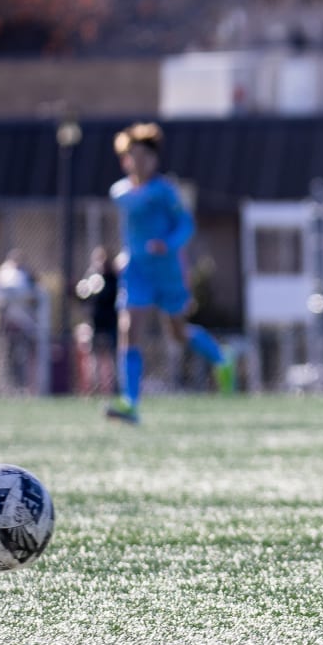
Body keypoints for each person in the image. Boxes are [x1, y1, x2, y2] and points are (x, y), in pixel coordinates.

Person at [105, 122, 237, 424]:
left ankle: (222, 358)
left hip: (167, 271)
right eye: (132, 156)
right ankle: (131, 403)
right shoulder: (120, 193)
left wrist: (168, 244)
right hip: (137, 271)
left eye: (144, 156)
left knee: (176, 333)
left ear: (154, 159)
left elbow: (186, 225)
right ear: (125, 159)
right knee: (129, 328)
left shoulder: (165, 192)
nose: (138, 161)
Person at [75, 245, 120, 395]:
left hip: (111, 322)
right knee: (92, 356)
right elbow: (82, 296)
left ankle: (114, 387)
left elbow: (112, 297)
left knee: (113, 355)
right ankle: (93, 388)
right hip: (95, 323)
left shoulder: (113, 278)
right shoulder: (91, 277)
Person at [0, 249, 38, 391]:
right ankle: (10, 386)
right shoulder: (4, 274)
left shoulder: (26, 275)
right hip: (9, 324)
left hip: (23, 324)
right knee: (9, 357)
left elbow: (34, 297)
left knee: (23, 356)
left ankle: (25, 386)